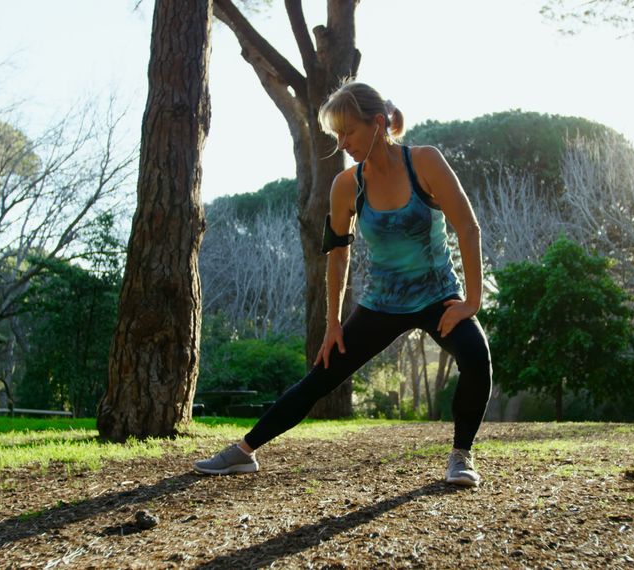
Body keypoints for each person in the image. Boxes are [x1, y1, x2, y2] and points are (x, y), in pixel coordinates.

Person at [194, 81, 492, 487]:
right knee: (322, 375)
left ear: (377, 124)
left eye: (348, 131)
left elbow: (468, 228)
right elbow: (338, 255)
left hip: (438, 295)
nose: (342, 142)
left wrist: (470, 302)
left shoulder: (424, 162)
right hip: (382, 304)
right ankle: (244, 452)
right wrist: (333, 324)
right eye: (337, 133)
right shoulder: (346, 185)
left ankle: (461, 456)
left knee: (476, 356)